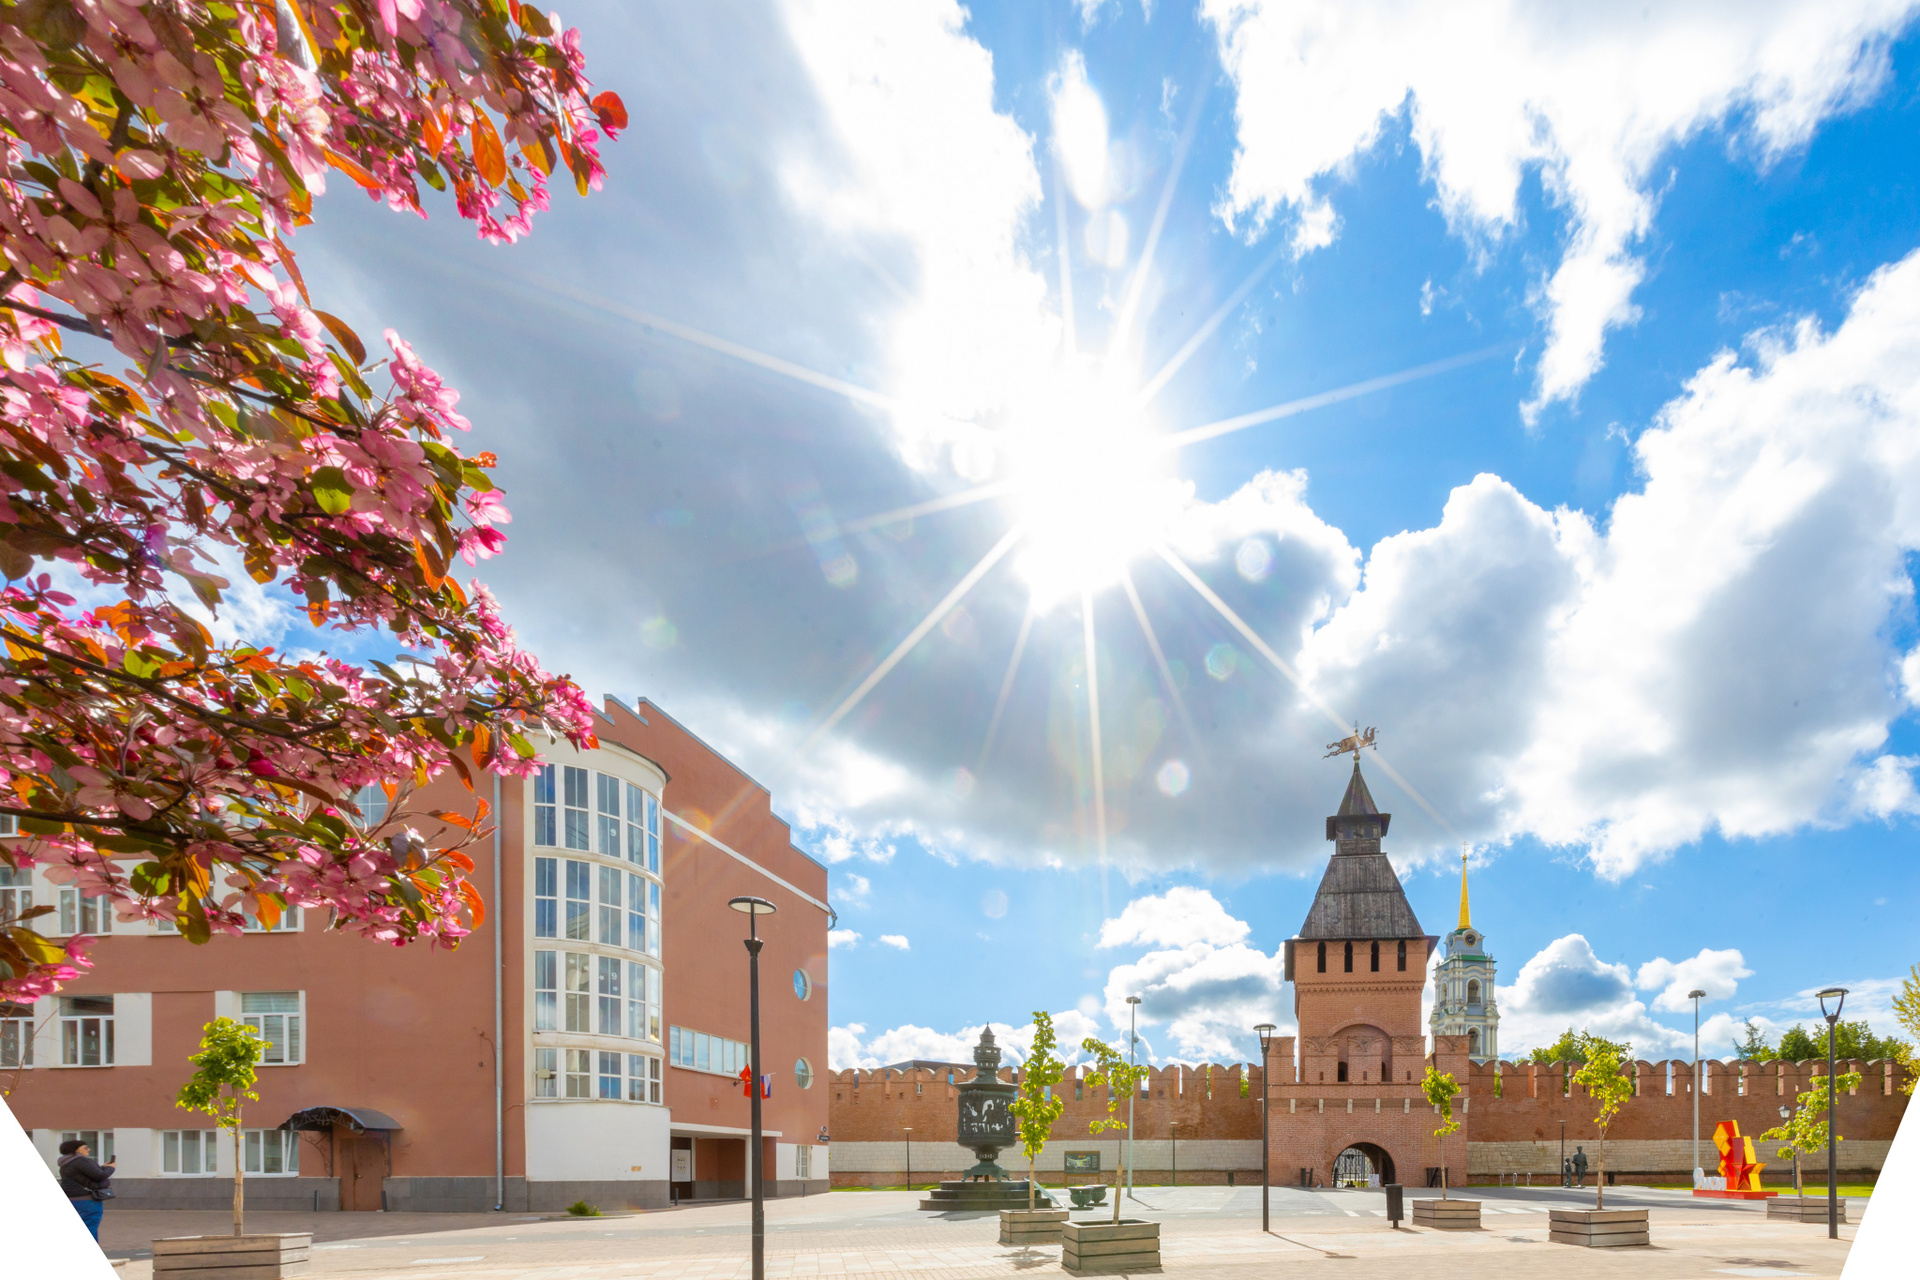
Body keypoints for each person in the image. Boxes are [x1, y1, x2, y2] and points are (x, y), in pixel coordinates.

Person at [58, 1138, 114, 1241]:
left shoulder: (65, 1162)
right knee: (90, 1227)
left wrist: (102, 1167)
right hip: (87, 1201)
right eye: (85, 1147)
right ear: (76, 1150)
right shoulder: (80, 1160)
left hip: (72, 1199)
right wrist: (110, 1168)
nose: (89, 1149)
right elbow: (100, 1176)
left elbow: (86, 1174)